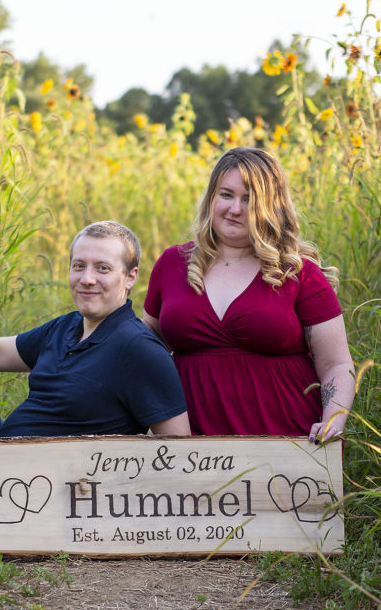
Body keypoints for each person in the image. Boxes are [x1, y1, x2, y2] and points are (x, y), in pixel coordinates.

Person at [0, 220, 190, 503]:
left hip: (34, 485)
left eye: (103, 268)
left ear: (130, 276)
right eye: (79, 266)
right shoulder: (67, 326)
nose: (87, 279)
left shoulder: (138, 348)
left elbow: (178, 451)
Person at [142, 147, 354, 443]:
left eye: (249, 199)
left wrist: (333, 419)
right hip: (190, 450)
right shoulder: (172, 263)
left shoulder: (298, 273)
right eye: (226, 195)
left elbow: (336, 364)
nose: (235, 209)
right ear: (211, 198)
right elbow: (142, 350)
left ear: (271, 206)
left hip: (289, 443)